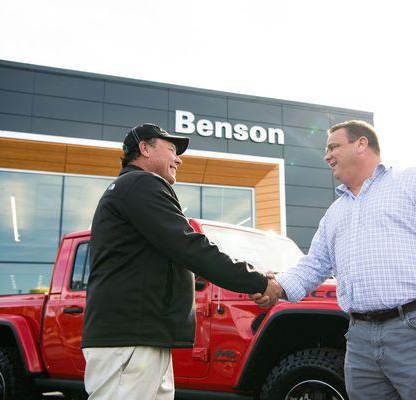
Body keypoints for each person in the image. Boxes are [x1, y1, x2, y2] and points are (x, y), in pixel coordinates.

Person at [253, 120, 416, 399]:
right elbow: (314, 264)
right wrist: (276, 287)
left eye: (333, 147)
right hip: (360, 339)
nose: (326, 156)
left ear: (361, 144)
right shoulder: (334, 214)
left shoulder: (415, 180)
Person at [82, 123, 279, 400]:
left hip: (141, 338)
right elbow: (189, 247)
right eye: (172, 149)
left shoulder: (130, 189)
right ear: (144, 149)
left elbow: (176, 255)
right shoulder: (141, 184)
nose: (179, 158)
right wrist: (257, 280)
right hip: (131, 339)